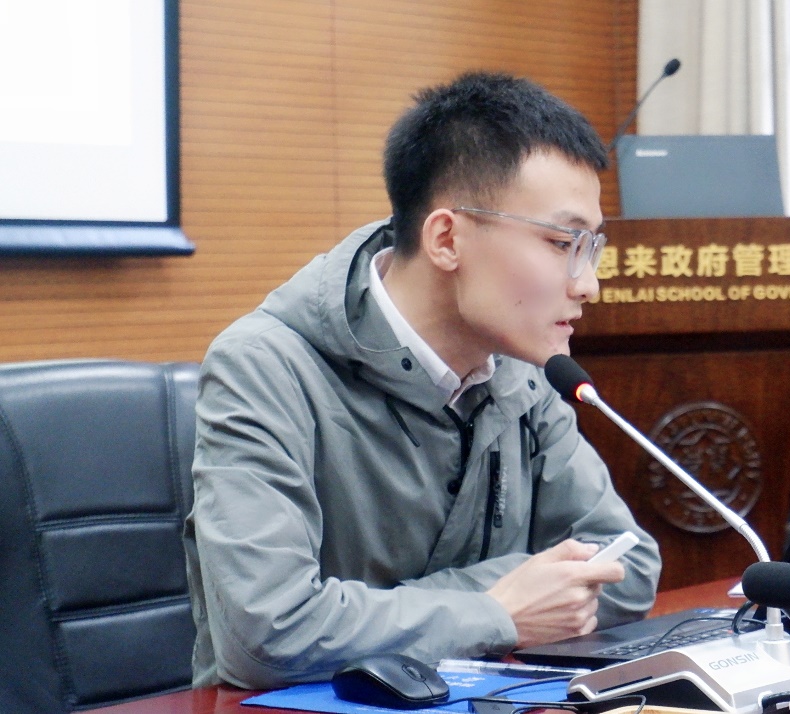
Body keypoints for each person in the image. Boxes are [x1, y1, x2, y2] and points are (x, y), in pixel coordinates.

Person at [183, 71, 661, 689]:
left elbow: (629, 564)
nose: (588, 284)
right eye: (560, 242)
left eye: (590, 248)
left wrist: (473, 611)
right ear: (446, 239)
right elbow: (267, 634)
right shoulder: (263, 367)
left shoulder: (521, 371)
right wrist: (498, 611)